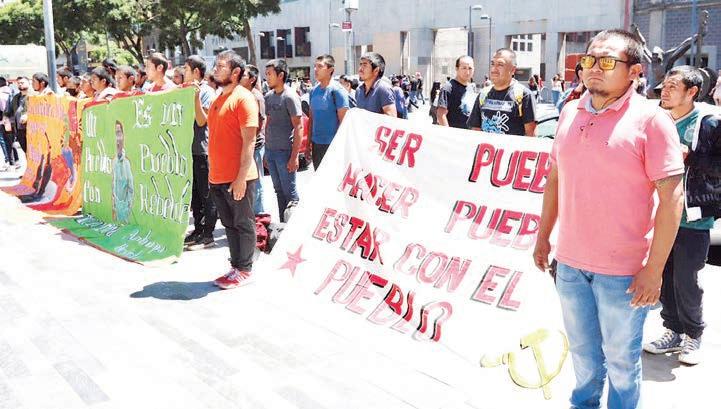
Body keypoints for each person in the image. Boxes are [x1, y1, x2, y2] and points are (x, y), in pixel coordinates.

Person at [533, 29, 685, 409]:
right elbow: (555, 178)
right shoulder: (570, 112)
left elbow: (672, 199)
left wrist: (654, 270)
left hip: (623, 275)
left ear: (634, 71)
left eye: (606, 61)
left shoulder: (651, 120)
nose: (593, 68)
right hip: (570, 266)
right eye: (588, 60)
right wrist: (543, 236)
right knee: (583, 358)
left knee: (621, 363)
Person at [643, 66, 709, 366]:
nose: (664, 91)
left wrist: (691, 157)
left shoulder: (707, 124)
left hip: (692, 219)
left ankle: (693, 334)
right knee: (663, 276)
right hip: (657, 214)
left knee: (685, 278)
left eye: (672, 86)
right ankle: (672, 330)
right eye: (664, 86)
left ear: (691, 92)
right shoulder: (657, 120)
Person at [207, 51, 259, 289]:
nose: (216, 70)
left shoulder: (244, 98)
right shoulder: (219, 98)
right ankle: (236, 266)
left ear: (236, 72)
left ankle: (245, 269)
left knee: (243, 224)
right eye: (216, 66)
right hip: (217, 177)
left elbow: (249, 142)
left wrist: (240, 178)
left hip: (239, 177)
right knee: (229, 225)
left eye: (221, 66)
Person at [182, 55, 218, 250]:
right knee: (195, 194)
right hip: (189, 149)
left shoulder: (206, 92)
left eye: (186, 69)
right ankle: (198, 230)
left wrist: (195, 97)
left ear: (196, 71)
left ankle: (208, 234)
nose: (183, 72)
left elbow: (202, 120)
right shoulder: (185, 90)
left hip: (202, 149)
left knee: (206, 194)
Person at [264, 59, 303, 222]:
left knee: (290, 194)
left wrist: (294, 157)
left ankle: (296, 226)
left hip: (285, 152)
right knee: (278, 191)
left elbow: (299, 127)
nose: (267, 77)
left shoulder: (290, 97)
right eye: (266, 74)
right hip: (271, 151)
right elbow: (268, 124)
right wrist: (266, 151)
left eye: (270, 74)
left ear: (280, 75)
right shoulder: (268, 97)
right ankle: (282, 225)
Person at [468, 49, 537, 136]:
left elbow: (531, 135)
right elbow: (475, 130)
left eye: (500, 64)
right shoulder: (483, 94)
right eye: (492, 64)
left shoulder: (524, 95)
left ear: (513, 70)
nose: (494, 69)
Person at [308, 54, 349, 169]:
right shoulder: (313, 91)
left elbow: (344, 122)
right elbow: (311, 119)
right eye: (315, 66)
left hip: (333, 146)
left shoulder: (338, 91)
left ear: (330, 70)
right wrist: (308, 144)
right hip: (316, 145)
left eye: (320, 66)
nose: (315, 69)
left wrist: (340, 147)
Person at [240, 64, 267, 216]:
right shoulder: (241, 95)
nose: (240, 77)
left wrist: (250, 139)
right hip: (244, 145)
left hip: (254, 145)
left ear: (252, 79)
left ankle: (259, 215)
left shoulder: (256, 96)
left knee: (256, 182)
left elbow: (260, 121)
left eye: (244, 75)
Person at [437, 55, 476, 129]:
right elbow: (441, 115)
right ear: (457, 69)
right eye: (464, 68)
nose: (467, 72)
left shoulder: (471, 88)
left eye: (470, 68)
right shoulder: (448, 88)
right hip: (454, 134)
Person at [356, 52, 396, 117]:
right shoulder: (359, 90)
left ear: (376, 70)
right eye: (360, 65)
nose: (360, 69)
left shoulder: (384, 89)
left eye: (365, 65)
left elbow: (391, 118)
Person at [111, 121, 134, 225]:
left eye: (119, 133)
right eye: (116, 134)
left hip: (125, 212)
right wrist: (114, 208)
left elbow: (131, 189)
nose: (117, 138)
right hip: (116, 212)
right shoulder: (114, 162)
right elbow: (113, 187)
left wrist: (127, 208)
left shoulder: (127, 163)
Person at [3, 76, 31, 154]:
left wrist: (28, 116)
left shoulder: (34, 96)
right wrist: (6, 118)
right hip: (19, 130)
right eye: (18, 83)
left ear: (29, 83)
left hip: (32, 129)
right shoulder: (16, 97)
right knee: (26, 152)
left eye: (22, 83)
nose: (20, 84)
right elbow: (8, 110)